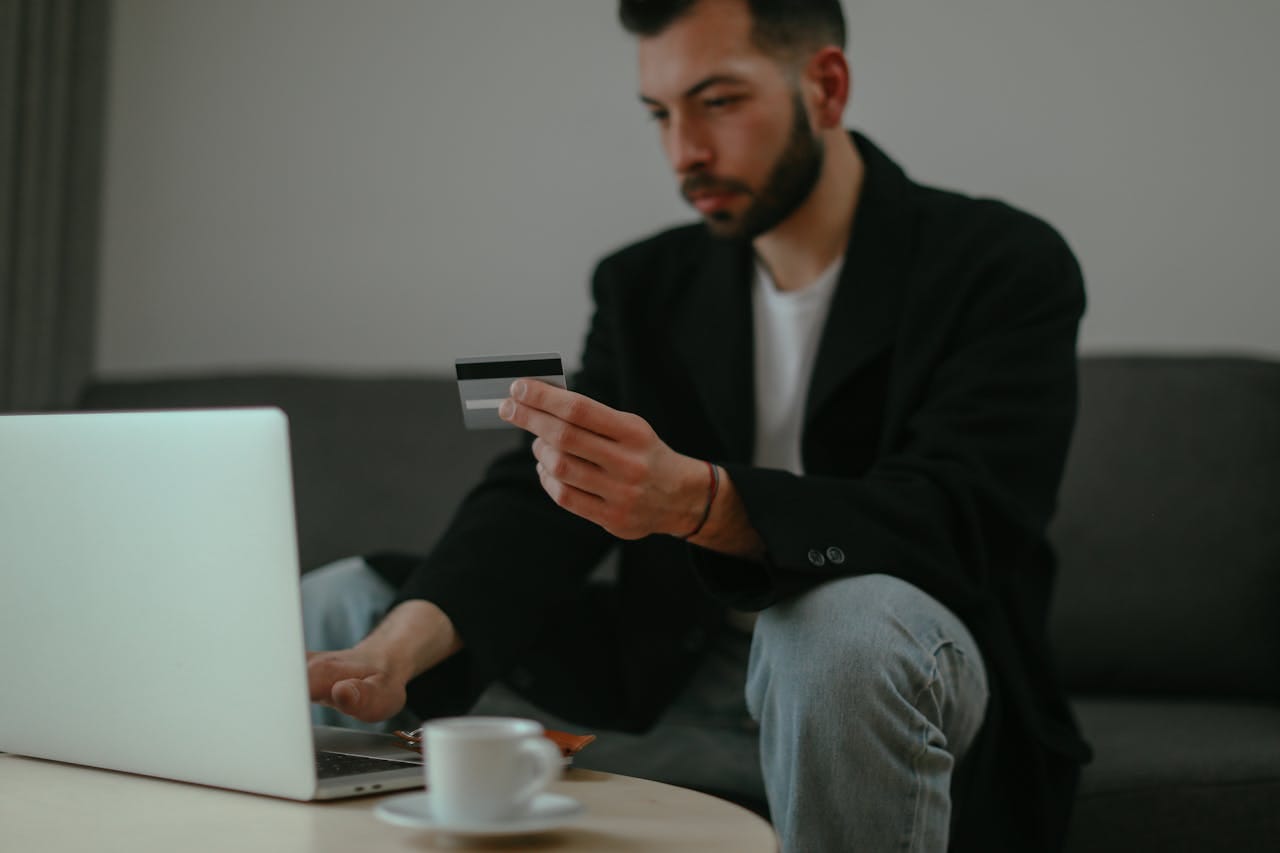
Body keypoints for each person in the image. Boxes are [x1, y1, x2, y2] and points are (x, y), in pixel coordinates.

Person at [304, 0, 1091, 849]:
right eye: (660, 114)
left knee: (829, 632)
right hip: (671, 674)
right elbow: (542, 506)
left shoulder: (1001, 263)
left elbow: (959, 520)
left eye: (719, 102)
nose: (685, 152)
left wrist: (704, 505)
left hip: (885, 676)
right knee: (347, 602)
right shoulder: (644, 284)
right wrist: (395, 651)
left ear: (825, 86)